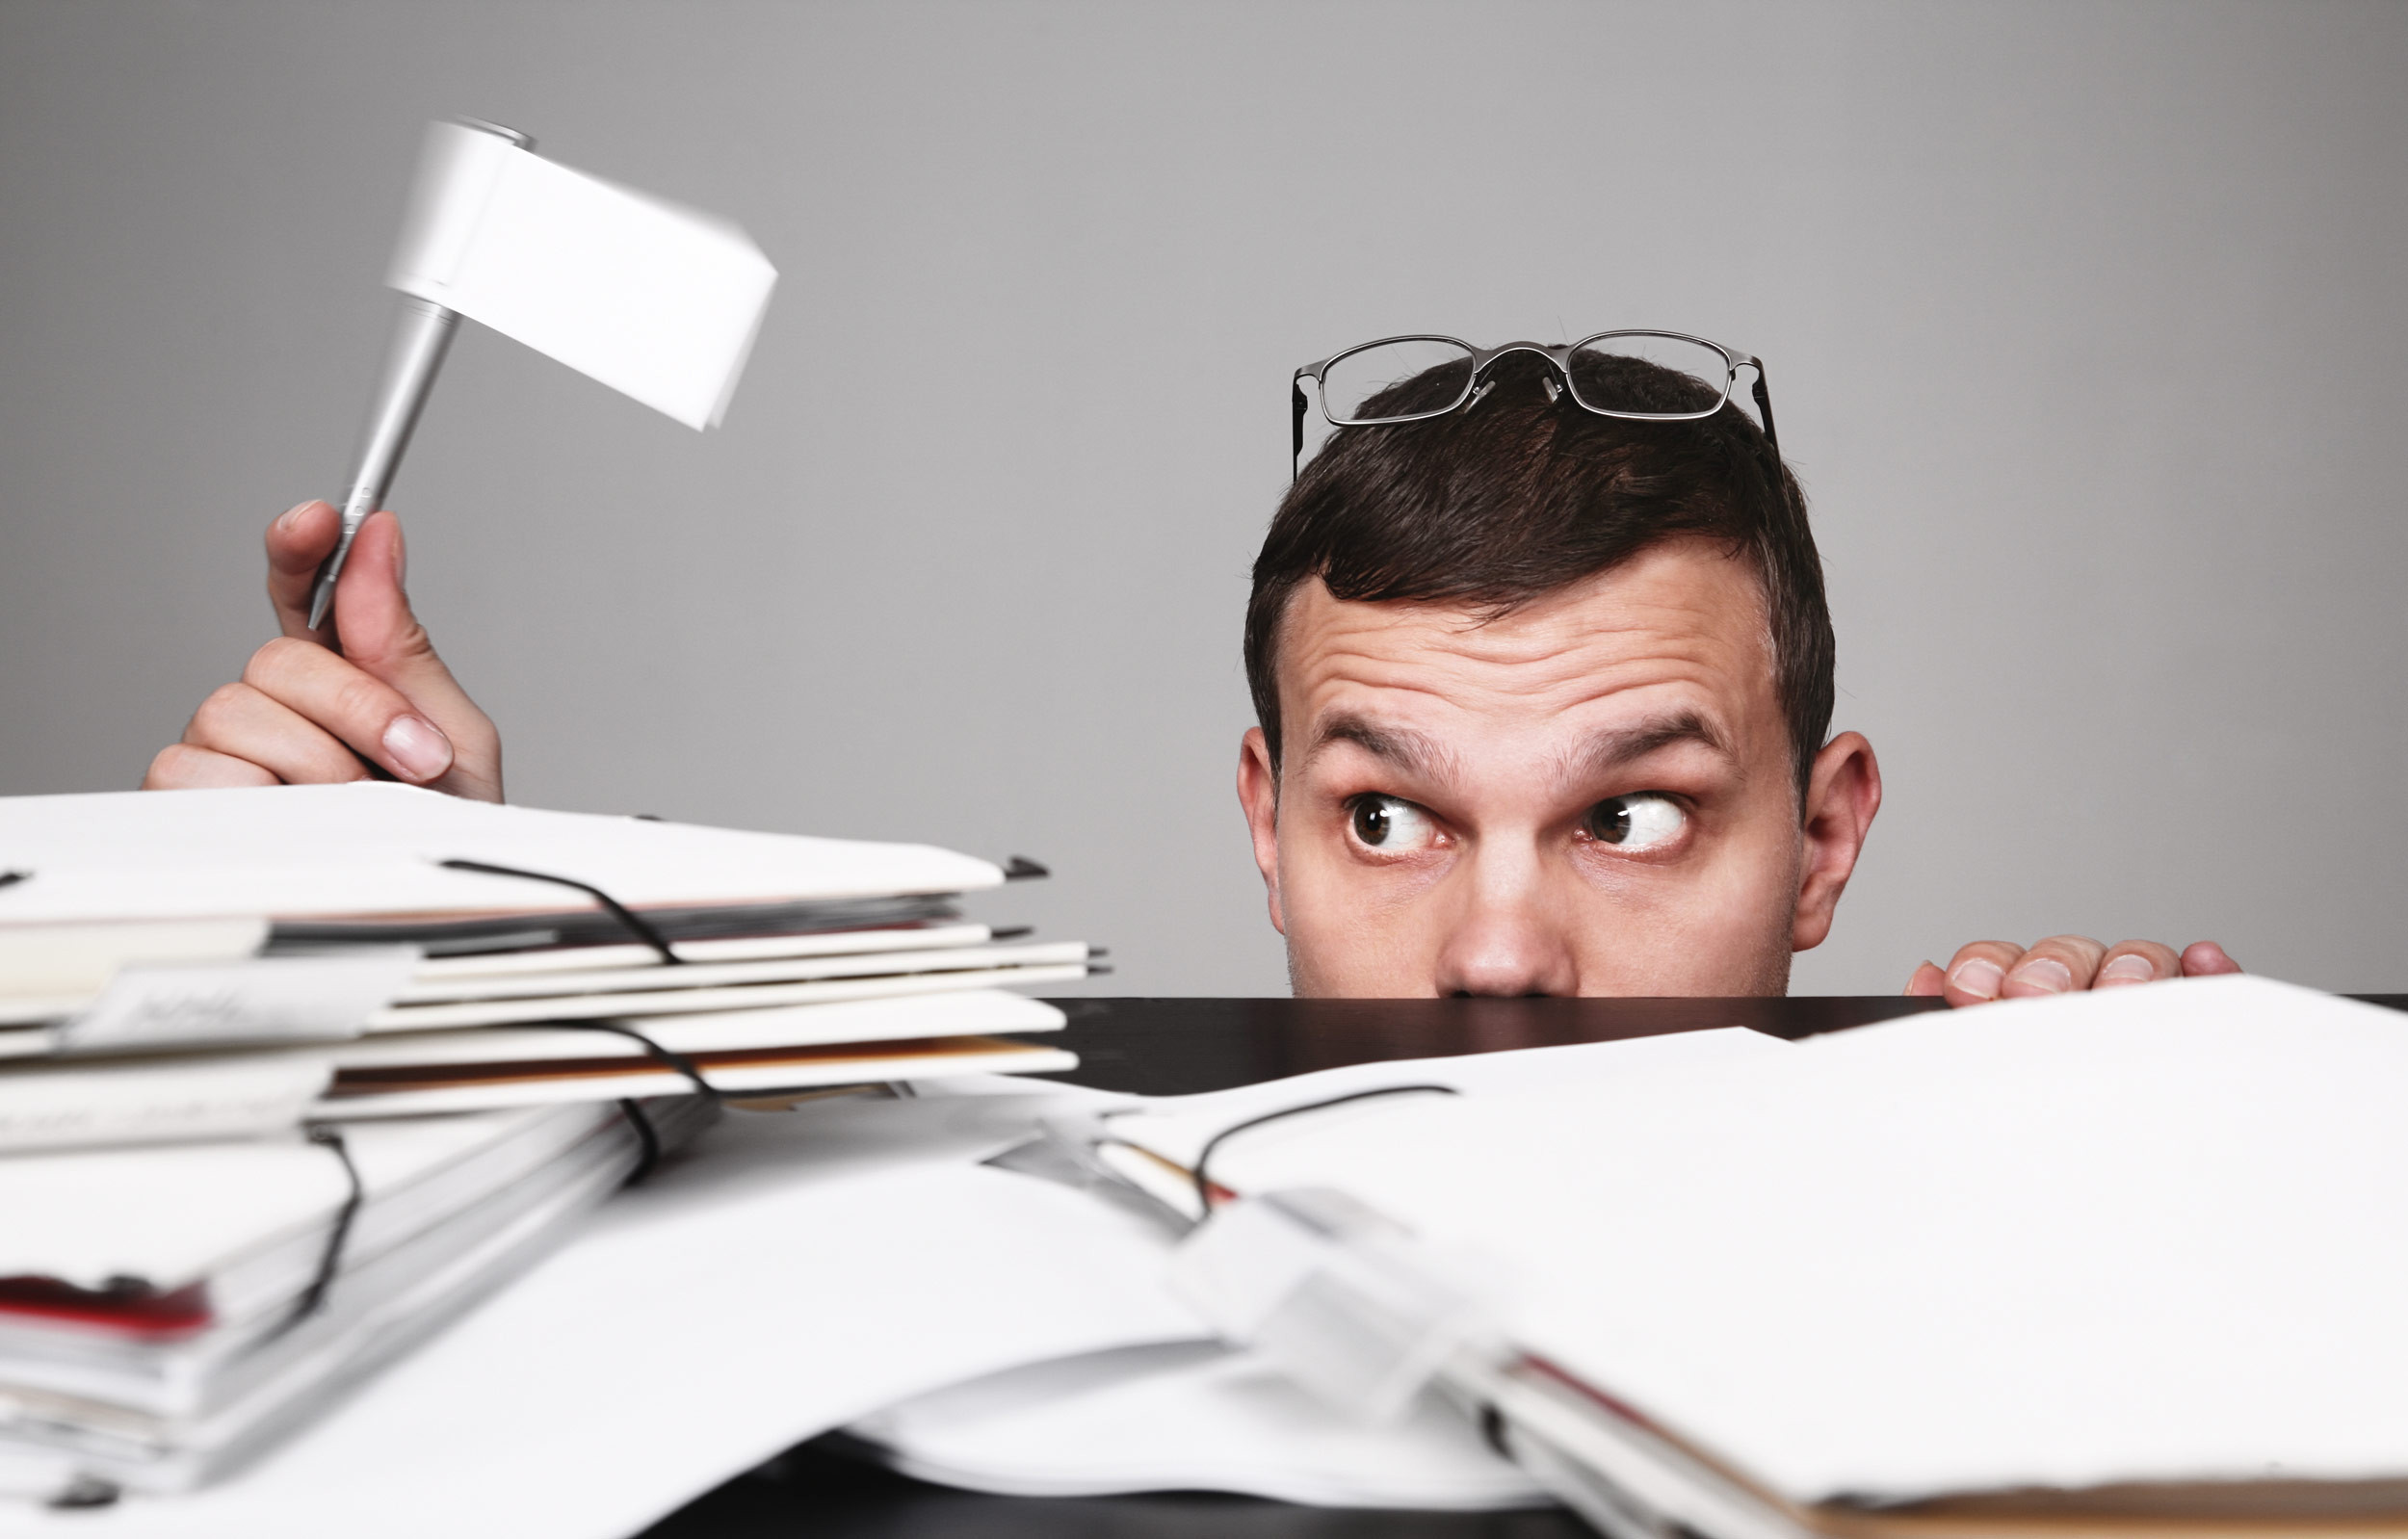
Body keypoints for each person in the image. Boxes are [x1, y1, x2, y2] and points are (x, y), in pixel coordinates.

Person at [143, 341, 2237, 1004]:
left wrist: (2229, 1184)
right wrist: (422, 961)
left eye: (1627, 811)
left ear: (1821, 835)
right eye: (1387, 816)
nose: (1498, 950)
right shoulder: (1044, 1256)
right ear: (1265, 820)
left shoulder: (2005, 1232)